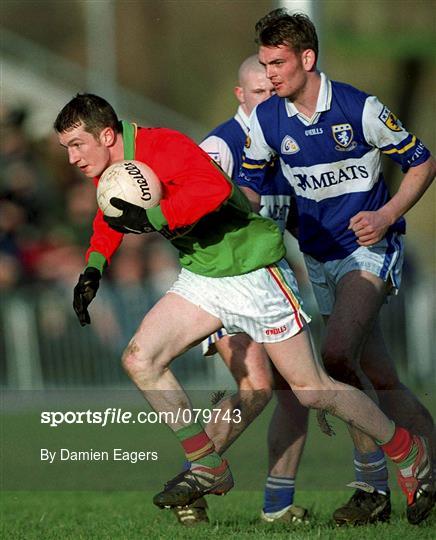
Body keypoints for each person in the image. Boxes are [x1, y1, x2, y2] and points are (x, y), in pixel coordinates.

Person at [55, 93, 431, 528]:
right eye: (67, 147)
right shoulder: (111, 166)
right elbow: (112, 214)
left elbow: (214, 190)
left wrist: (159, 216)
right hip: (203, 277)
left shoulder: (165, 146)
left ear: (106, 135)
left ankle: (408, 449)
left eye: (77, 144)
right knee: (140, 359)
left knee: (310, 389)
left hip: (254, 273)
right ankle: (205, 463)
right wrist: (94, 267)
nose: (72, 157)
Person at [238, 9, 436, 526]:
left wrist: (389, 212)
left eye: (278, 63)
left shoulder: (359, 107)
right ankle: (423, 471)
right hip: (320, 257)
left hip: (370, 250)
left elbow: (423, 160)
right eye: (264, 64)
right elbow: (250, 188)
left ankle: (375, 485)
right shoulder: (268, 119)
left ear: (308, 58)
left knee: (335, 354)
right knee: (378, 375)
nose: (270, 74)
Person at [172, 54, 308, 526]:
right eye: (259, 93)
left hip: (269, 284)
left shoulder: (283, 143)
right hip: (227, 284)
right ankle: (193, 482)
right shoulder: (221, 145)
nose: (270, 100)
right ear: (240, 95)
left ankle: (277, 505)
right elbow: (189, 210)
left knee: (296, 392)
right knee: (256, 389)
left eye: (274, 92)